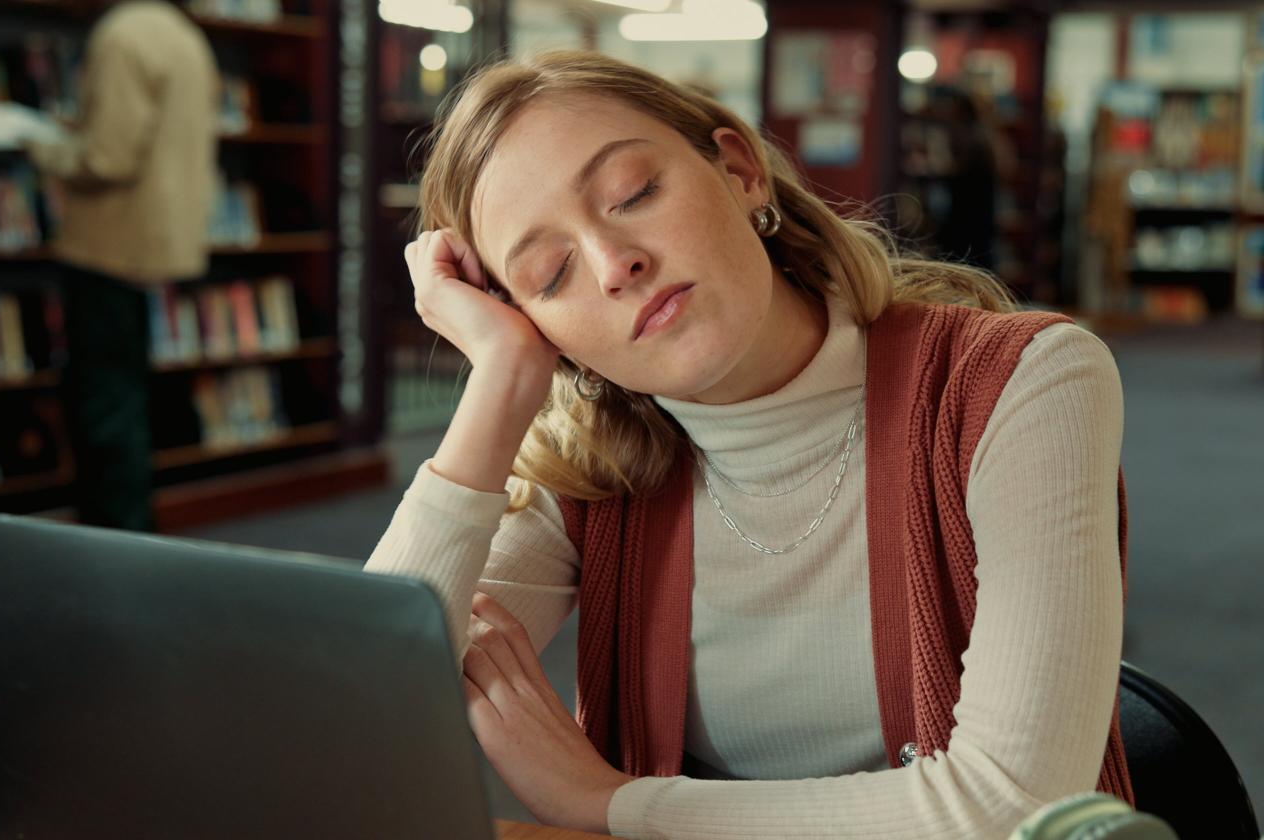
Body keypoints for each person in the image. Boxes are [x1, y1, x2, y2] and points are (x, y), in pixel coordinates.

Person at [366, 51, 1130, 838]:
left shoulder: (1018, 383)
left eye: (634, 193)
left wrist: (607, 802)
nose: (615, 264)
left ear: (739, 171)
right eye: (551, 274)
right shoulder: (593, 465)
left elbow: (1014, 809)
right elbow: (355, 717)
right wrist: (503, 377)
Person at [26, 0, 218, 531]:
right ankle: (129, 531)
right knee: (127, 395)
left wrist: (41, 146)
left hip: (110, 244)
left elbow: (107, 157)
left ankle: (115, 536)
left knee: (105, 403)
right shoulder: (184, 36)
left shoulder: (121, 35)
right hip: (157, 240)